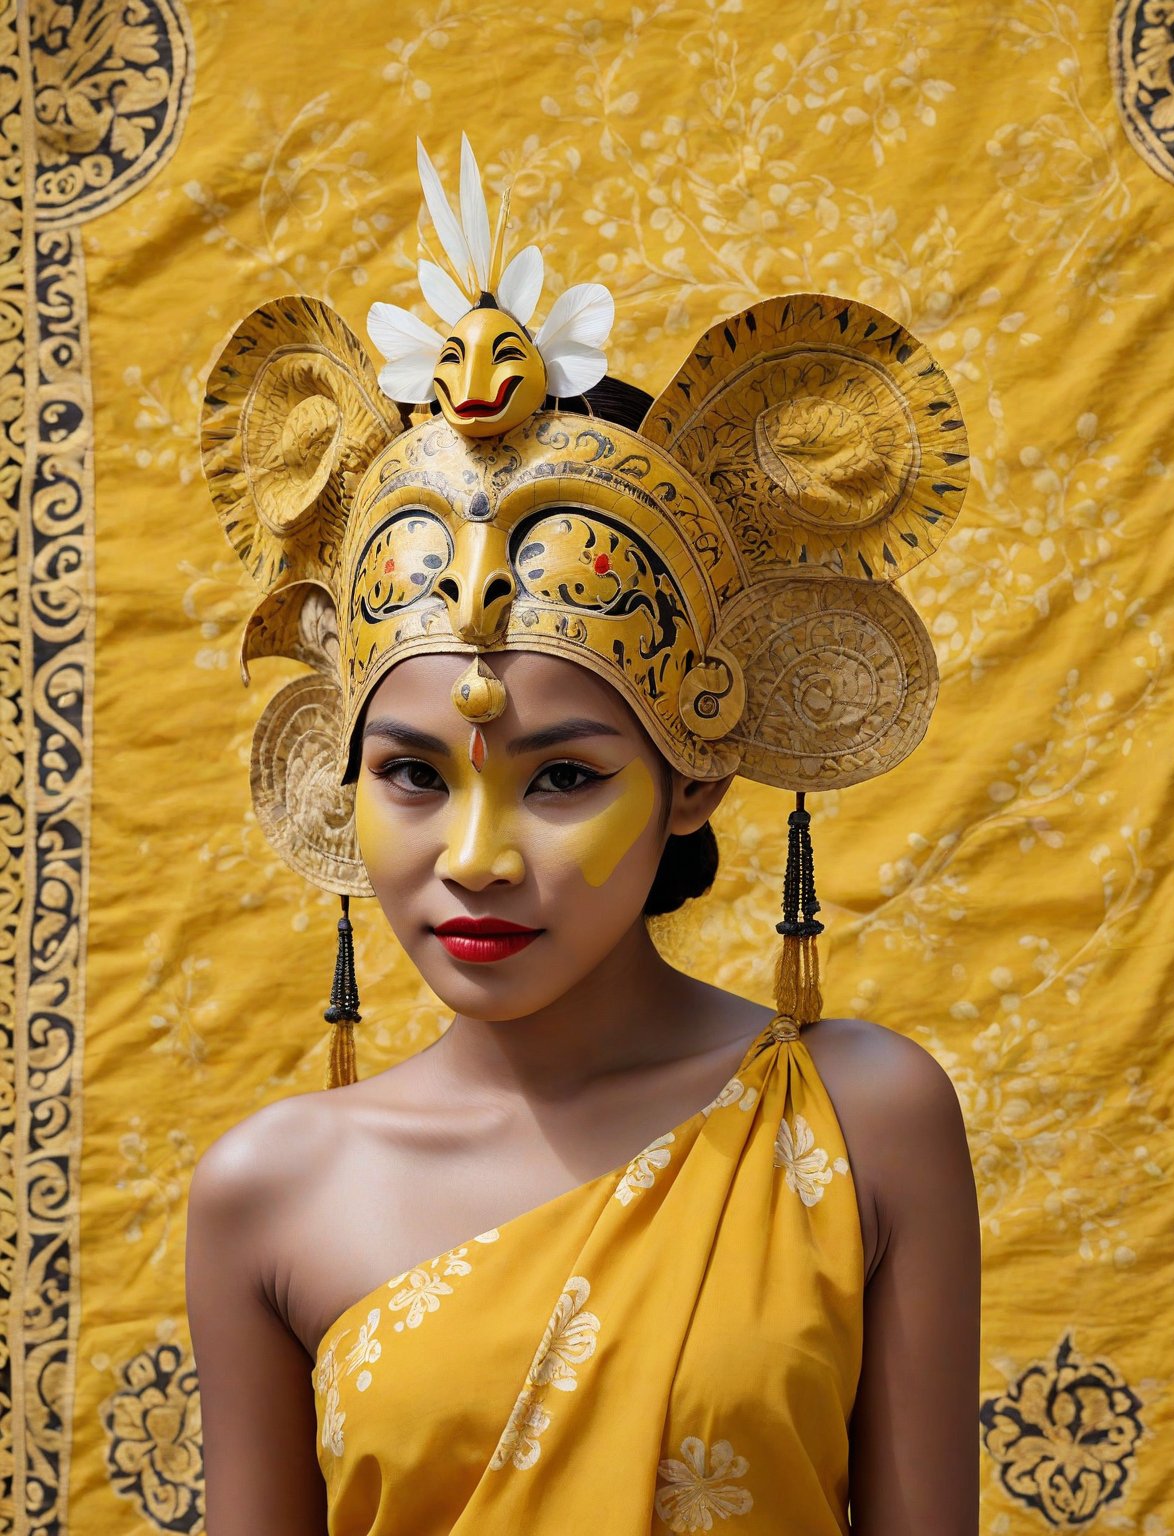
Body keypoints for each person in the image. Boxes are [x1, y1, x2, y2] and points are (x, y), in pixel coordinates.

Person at [186, 135, 981, 1536]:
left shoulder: (867, 1120)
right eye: (414, 776)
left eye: (559, 779)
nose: (477, 856)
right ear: (339, 781)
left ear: (694, 774)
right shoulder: (267, 1195)